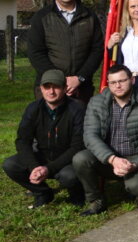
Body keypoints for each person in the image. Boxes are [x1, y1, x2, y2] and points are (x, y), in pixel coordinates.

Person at [74, 65, 138, 215]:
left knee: (137, 188)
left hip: (134, 158)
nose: (118, 86)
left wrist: (135, 164)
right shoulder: (96, 102)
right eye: (113, 82)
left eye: (122, 81)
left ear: (132, 79)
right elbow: (90, 135)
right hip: (107, 157)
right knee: (81, 159)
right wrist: (112, 159)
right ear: (108, 84)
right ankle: (95, 200)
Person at [3, 69, 85, 208]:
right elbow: (23, 141)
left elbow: (78, 146)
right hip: (43, 155)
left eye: (56, 87)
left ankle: (77, 194)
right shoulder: (33, 108)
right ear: (41, 88)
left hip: (67, 160)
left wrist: (48, 168)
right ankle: (43, 192)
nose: (51, 92)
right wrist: (34, 166)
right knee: (10, 165)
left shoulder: (77, 109)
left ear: (65, 88)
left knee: (69, 176)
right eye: (47, 87)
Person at [26, 0, 103, 102]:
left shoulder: (90, 17)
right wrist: (58, 79)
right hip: (50, 87)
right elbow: (35, 53)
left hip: (81, 88)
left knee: (81, 123)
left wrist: (79, 78)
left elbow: (97, 50)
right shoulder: (41, 17)